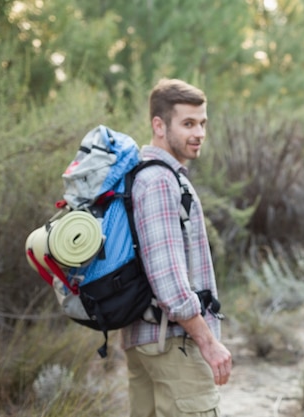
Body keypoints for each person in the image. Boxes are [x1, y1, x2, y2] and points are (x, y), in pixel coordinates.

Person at [120, 78, 232, 417]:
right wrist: (208, 342)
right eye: (187, 123)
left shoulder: (156, 177)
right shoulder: (158, 181)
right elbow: (169, 280)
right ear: (159, 125)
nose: (199, 133)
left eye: (202, 123)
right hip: (172, 345)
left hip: (152, 340)